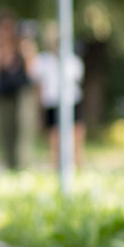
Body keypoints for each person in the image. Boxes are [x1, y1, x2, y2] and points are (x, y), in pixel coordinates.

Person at [29, 22, 85, 168]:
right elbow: (36, 81)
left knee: (76, 134)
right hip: (52, 102)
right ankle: (57, 166)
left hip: (72, 101)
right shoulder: (43, 60)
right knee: (55, 138)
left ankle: (77, 165)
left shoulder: (72, 60)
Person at [0, 12, 31, 169]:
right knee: (6, 128)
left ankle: (22, 161)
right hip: (3, 93)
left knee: (23, 126)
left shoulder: (22, 45)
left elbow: (31, 69)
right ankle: (9, 162)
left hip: (20, 91)